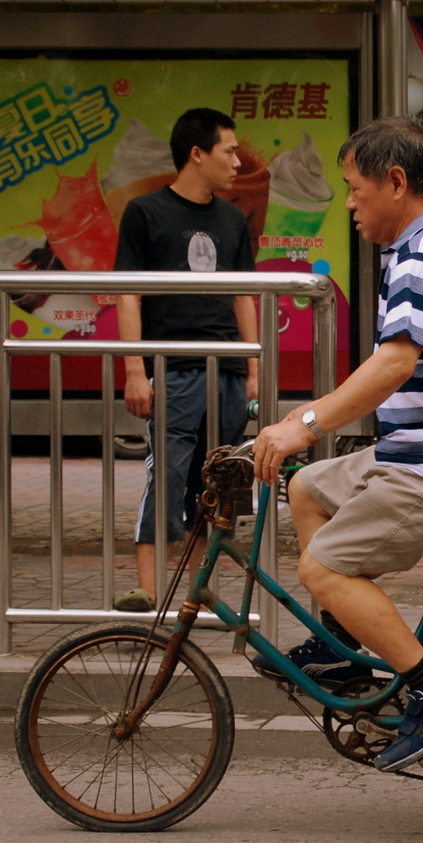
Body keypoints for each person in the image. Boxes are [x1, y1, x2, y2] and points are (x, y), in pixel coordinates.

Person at [251, 115, 423, 773]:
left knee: (324, 567)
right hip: (422, 451)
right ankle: (342, 643)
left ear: (395, 182)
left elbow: (394, 364)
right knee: (307, 486)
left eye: (354, 187)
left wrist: (301, 425)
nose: (348, 202)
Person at [114, 107, 259, 612]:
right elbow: (127, 295)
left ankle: (195, 595)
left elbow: (245, 296)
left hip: (228, 368)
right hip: (171, 367)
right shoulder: (145, 212)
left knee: (215, 480)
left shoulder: (233, 217)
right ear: (197, 154)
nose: (238, 161)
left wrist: (253, 369)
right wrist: (135, 370)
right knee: (169, 474)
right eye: (229, 150)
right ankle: (148, 591)